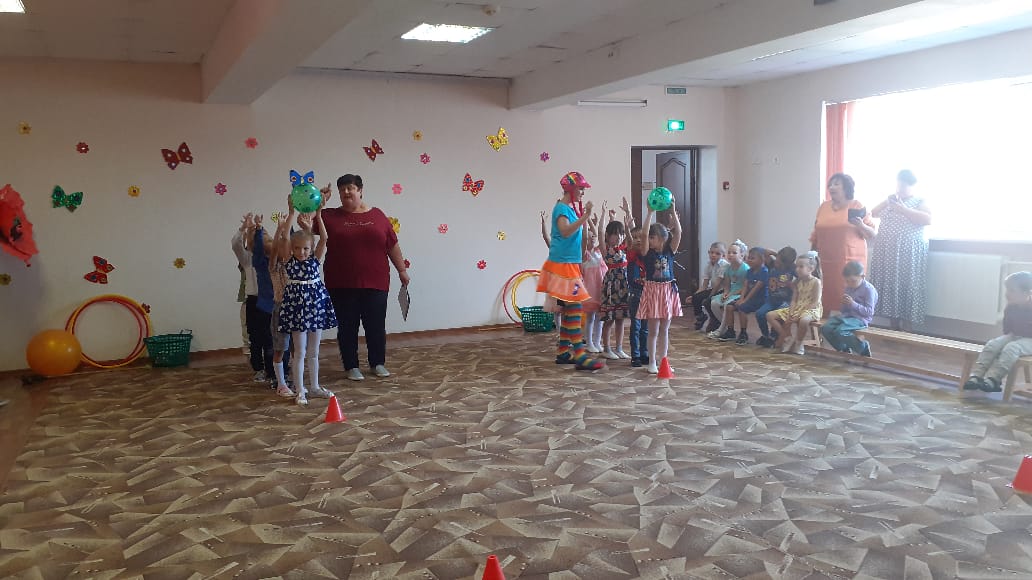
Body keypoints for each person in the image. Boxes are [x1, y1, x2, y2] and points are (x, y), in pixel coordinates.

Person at [321, 174, 410, 381]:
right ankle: (351, 365)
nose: (346, 192)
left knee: (376, 325)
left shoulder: (378, 215)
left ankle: (377, 363)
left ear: (360, 190)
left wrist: (402, 270)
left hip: (376, 281)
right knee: (347, 326)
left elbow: (392, 244)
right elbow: (306, 225)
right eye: (342, 189)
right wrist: (318, 204)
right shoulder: (328, 216)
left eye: (350, 188)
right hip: (341, 283)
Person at [537, 171, 606, 371]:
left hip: (569, 264)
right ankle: (580, 355)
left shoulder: (569, 209)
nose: (583, 192)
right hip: (562, 266)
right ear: (571, 188)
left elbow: (577, 235)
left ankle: (563, 352)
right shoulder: (561, 208)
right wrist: (586, 216)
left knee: (570, 310)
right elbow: (566, 231)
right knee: (575, 308)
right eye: (581, 188)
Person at [277, 200, 338, 406]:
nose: (301, 252)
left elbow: (325, 238)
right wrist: (291, 213)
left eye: (305, 248)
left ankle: (315, 386)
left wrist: (319, 214)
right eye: (297, 248)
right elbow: (285, 237)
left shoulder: (314, 259)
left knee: (314, 351)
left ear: (311, 249)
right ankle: (300, 389)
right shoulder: (289, 260)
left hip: (316, 306)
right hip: (297, 308)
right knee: (300, 351)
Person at [869, 169, 932, 331]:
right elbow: (873, 213)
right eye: (898, 184)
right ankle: (894, 328)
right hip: (887, 250)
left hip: (907, 252)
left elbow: (927, 219)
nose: (900, 188)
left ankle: (908, 330)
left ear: (912, 185)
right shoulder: (891, 201)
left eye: (904, 185)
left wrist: (903, 209)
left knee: (907, 284)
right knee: (890, 284)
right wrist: (887, 201)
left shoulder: (919, 200)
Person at [810, 173, 876, 316]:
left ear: (846, 188)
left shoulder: (856, 205)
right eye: (830, 185)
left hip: (850, 260)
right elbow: (817, 230)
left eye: (836, 184)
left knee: (848, 293)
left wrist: (860, 225)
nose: (831, 187)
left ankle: (850, 325)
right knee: (826, 292)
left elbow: (872, 233)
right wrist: (812, 256)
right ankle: (823, 326)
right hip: (826, 260)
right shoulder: (824, 207)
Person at [963, 272, 1032, 393]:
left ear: (1027, 293)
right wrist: (1004, 340)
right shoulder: (1011, 307)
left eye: (1012, 290)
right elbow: (1007, 328)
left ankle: (994, 379)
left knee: (1012, 348)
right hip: (1015, 335)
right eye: (1007, 289)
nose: (1007, 294)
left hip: (1030, 340)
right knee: (993, 344)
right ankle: (977, 375)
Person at [637, 201, 683, 374]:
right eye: (649, 237)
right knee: (653, 330)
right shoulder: (647, 253)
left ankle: (664, 360)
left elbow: (679, 233)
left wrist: (673, 211)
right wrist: (650, 213)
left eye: (653, 237)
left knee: (665, 329)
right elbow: (643, 235)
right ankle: (652, 362)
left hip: (667, 291)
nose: (649, 240)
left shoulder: (670, 251)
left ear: (662, 238)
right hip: (653, 291)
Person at [264, 210, 300, 398]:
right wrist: (280, 229)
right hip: (280, 311)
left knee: (296, 350)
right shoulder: (274, 267)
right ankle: (281, 384)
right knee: (280, 349)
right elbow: (275, 251)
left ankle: (296, 380)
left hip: (296, 310)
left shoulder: (293, 265)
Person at [232, 213, 268, 382]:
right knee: (255, 338)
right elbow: (236, 244)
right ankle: (258, 369)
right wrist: (243, 228)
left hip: (269, 301)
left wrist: (260, 229)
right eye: (252, 237)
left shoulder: (271, 257)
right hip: (253, 302)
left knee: (270, 337)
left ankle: (273, 368)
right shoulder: (247, 258)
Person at [768, 251, 823, 355]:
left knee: (803, 320)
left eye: (801, 267)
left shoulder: (816, 282)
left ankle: (798, 343)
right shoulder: (797, 282)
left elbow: (815, 302)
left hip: (811, 309)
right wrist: (791, 312)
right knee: (770, 315)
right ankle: (787, 338)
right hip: (797, 307)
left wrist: (798, 315)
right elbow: (794, 300)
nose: (797, 269)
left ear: (811, 269)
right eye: (797, 266)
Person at [821, 261, 878, 356]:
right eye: (847, 281)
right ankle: (843, 348)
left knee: (840, 331)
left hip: (860, 319)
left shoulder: (869, 290)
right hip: (847, 316)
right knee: (825, 328)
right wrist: (844, 304)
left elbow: (869, 312)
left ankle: (863, 347)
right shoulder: (849, 288)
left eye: (853, 281)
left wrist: (852, 304)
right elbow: (844, 310)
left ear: (862, 276)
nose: (850, 284)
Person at [248, 213, 278, 389]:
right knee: (268, 343)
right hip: (265, 309)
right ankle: (271, 373)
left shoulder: (279, 260)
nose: (268, 239)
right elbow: (258, 249)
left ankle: (278, 372)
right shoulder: (259, 262)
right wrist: (258, 229)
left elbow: (287, 243)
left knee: (279, 343)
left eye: (269, 236)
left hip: (279, 308)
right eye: (264, 238)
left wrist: (284, 226)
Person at [599, 201, 630, 360]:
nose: (619, 237)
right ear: (608, 236)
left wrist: (627, 213)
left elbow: (631, 233)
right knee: (609, 319)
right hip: (611, 286)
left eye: (621, 234)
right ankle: (606, 348)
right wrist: (604, 215)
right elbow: (600, 232)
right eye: (616, 234)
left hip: (624, 285)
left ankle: (619, 348)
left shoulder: (624, 249)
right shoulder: (606, 250)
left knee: (620, 319)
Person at [755, 246, 797, 348]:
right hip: (772, 300)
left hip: (785, 301)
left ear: (787, 264)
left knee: (779, 315)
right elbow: (765, 252)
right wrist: (776, 254)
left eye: (780, 263)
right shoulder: (772, 264)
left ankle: (775, 335)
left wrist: (793, 285)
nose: (777, 263)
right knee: (760, 314)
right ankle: (765, 335)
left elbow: (803, 276)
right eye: (777, 260)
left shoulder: (791, 269)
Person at [707, 240, 749, 339]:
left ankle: (720, 330)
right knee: (714, 303)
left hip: (741, 293)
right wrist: (725, 293)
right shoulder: (728, 268)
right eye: (729, 252)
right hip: (731, 291)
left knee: (727, 305)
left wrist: (731, 294)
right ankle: (726, 327)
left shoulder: (745, 269)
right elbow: (727, 284)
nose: (730, 255)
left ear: (741, 255)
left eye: (734, 253)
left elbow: (746, 287)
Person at [730, 247, 770, 345]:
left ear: (761, 259)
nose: (749, 260)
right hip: (751, 299)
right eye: (749, 257)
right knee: (737, 307)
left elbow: (755, 289)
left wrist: (745, 300)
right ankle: (743, 333)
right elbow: (745, 286)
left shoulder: (764, 271)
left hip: (762, 300)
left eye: (752, 258)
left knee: (747, 308)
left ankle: (765, 335)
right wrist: (741, 298)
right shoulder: (749, 271)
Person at [581, 212, 607, 353]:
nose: (592, 238)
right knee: (590, 317)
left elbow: (597, 234)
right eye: (589, 237)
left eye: (593, 237)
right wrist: (585, 219)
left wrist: (593, 221)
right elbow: (586, 236)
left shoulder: (599, 251)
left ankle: (597, 342)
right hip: (590, 291)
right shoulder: (584, 255)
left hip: (601, 289)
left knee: (600, 317)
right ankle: (589, 342)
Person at [689, 242, 728, 331]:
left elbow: (718, 284)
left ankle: (716, 320)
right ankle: (701, 317)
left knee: (708, 301)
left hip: (723, 290)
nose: (713, 255)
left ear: (723, 255)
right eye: (712, 252)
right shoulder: (708, 265)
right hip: (713, 289)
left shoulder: (724, 265)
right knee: (696, 297)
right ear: (708, 252)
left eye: (717, 254)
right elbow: (704, 285)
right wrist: (695, 295)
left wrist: (710, 296)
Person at [626, 222, 649, 367]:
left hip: (647, 293)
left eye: (641, 237)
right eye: (635, 238)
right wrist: (628, 228)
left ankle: (644, 353)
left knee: (645, 327)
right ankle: (635, 356)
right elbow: (629, 242)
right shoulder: (631, 255)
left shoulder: (648, 255)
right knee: (636, 326)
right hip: (635, 293)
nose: (638, 240)